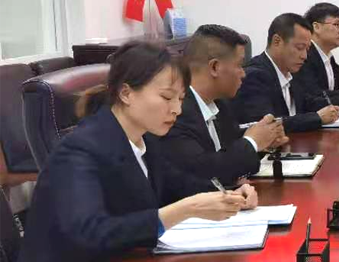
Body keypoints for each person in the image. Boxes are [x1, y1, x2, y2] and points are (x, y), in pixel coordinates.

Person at [19, 41, 258, 262]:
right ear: (126, 93)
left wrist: (228, 195)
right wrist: (186, 210)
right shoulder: (79, 150)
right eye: (167, 97)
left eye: (181, 99)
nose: (177, 109)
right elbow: (90, 234)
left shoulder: (145, 138)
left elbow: (177, 183)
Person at [161, 24, 289, 185]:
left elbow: (230, 150)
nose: (243, 74)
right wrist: (252, 142)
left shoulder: (220, 103)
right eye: (239, 65)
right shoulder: (176, 112)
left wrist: (264, 139)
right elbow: (203, 171)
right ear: (215, 67)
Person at [232, 13, 339, 133]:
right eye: (300, 48)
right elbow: (265, 125)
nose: (305, 56)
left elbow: (308, 102)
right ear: (277, 41)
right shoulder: (254, 76)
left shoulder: (291, 71)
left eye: (307, 49)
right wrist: (317, 118)